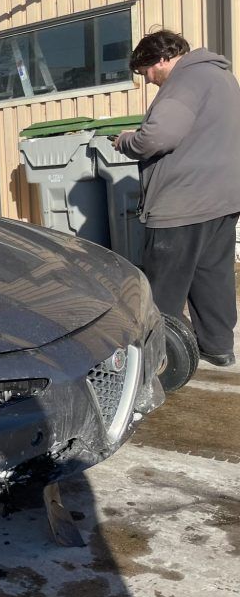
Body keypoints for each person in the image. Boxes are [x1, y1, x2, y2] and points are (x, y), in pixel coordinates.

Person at [115, 30, 240, 367]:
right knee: (213, 276)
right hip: (223, 200)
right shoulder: (222, 77)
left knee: (165, 285)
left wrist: (127, 141)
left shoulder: (184, 81)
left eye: (146, 73)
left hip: (183, 203)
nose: (149, 81)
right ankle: (218, 346)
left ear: (160, 59)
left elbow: (157, 137)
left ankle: (159, 360)